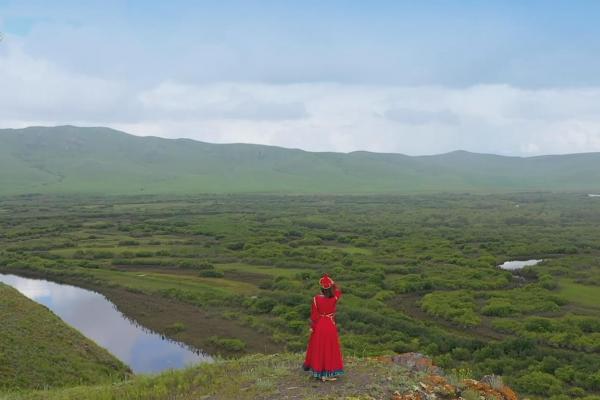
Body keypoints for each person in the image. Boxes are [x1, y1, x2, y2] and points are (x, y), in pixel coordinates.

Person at [303, 273, 344, 381]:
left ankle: (319, 373)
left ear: (321, 288)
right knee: (329, 348)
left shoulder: (316, 299)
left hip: (320, 325)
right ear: (331, 287)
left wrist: (313, 327)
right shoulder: (334, 298)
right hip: (330, 325)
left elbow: (314, 316)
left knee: (319, 347)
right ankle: (327, 373)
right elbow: (338, 291)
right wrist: (332, 283)